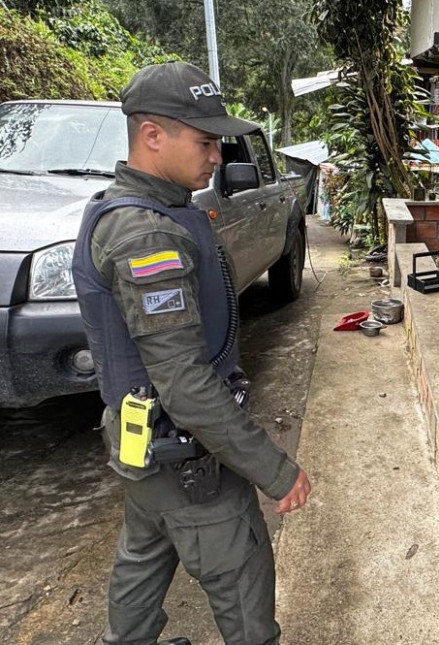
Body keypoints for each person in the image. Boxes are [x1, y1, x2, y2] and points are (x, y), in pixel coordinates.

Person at [71, 61, 311, 645]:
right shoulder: (146, 234)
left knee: (144, 555)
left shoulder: (137, 207)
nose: (217, 157)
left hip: (144, 453)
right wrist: (275, 470)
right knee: (242, 581)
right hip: (187, 460)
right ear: (153, 135)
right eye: (205, 141)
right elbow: (184, 385)